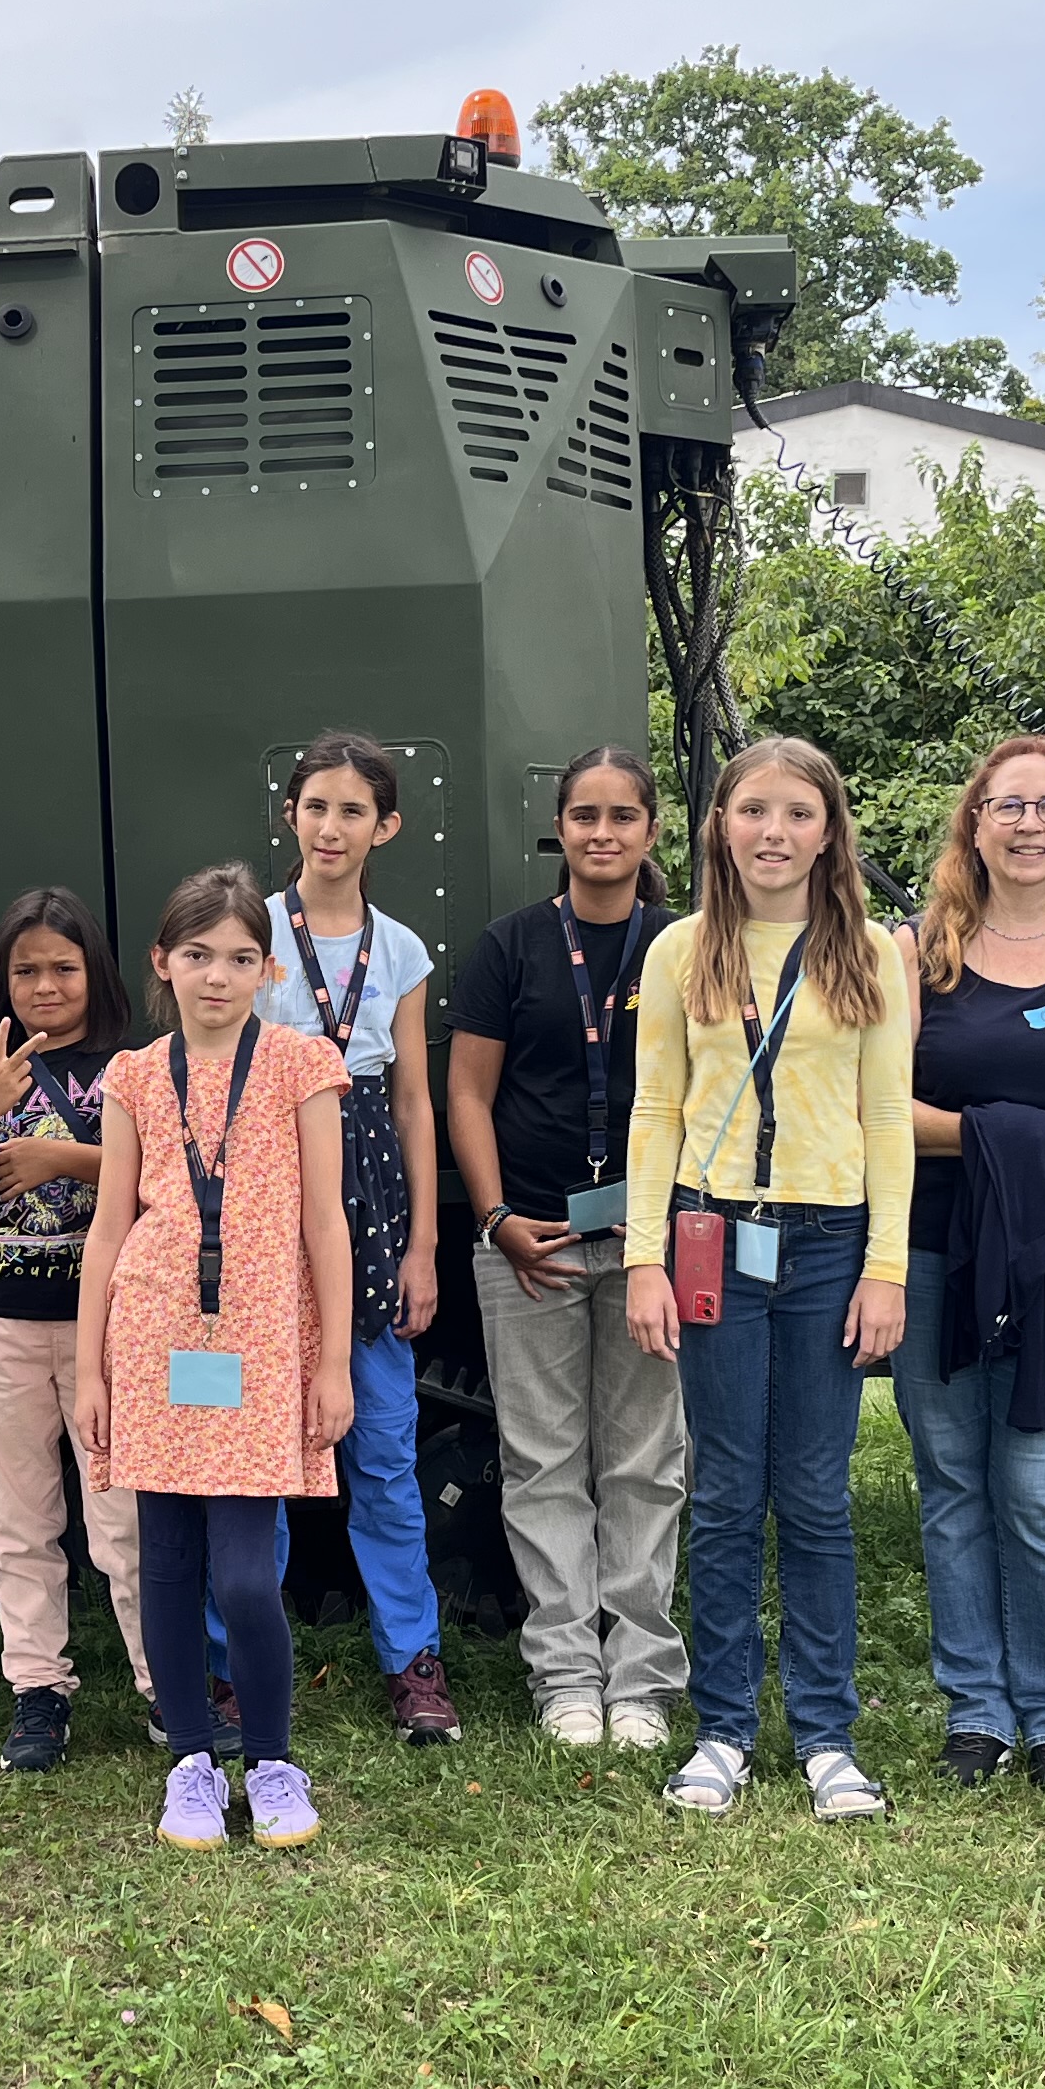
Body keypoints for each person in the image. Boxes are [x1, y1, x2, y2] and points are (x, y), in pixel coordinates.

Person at [624, 735, 913, 1825]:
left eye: (798, 813)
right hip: (711, 1243)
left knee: (818, 1497)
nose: (774, 833)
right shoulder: (681, 951)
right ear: (721, 826)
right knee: (728, 1493)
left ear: (829, 830)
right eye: (754, 811)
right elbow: (656, 1111)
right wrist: (644, 1255)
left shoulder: (871, 953)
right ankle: (726, 1730)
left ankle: (830, 1733)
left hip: (831, 1244)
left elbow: (889, 1119)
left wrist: (884, 1269)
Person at [75, 864, 357, 1851]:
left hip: (260, 1342)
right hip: (153, 1336)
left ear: (265, 968)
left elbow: (327, 1219)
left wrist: (334, 1364)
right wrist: (89, 1368)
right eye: (197, 955)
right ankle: (192, 1760)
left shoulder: (300, 1064)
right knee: (168, 1562)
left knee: (243, 1575)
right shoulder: (135, 1076)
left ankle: (271, 1759)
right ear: (162, 962)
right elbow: (109, 1228)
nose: (217, 977)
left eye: (240, 958)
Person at [891, 738, 1045, 1794]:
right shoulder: (919, 951)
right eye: (1008, 805)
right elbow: (879, 1109)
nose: (1029, 824)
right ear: (975, 824)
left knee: (1039, 1484)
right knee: (952, 1480)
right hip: (939, 1246)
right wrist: (1007, 1135)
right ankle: (977, 1713)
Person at [445, 743, 685, 1749]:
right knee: (543, 1463)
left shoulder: (681, 946)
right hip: (528, 1241)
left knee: (645, 1463)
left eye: (620, 816)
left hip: (649, 1245)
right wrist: (497, 1219)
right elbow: (467, 1091)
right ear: (561, 829)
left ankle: (641, 1678)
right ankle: (564, 1677)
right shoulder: (510, 948)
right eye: (583, 816)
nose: (601, 833)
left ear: (650, 831)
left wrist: (664, 1233)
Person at [253, 733, 458, 1744]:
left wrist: (422, 1244)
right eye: (316, 806)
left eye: (353, 811)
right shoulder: (249, 935)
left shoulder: (404, 948)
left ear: (387, 827)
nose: (331, 827)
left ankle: (414, 1662)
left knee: (381, 1449)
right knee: (258, 1453)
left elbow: (416, 1102)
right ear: (290, 814)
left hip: (372, 1202)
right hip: (263, 1188)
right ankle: (241, 1662)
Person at [0, 885, 152, 1772]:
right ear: (4, 980)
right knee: (18, 1518)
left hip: (115, 1328)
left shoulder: (139, 1064)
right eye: (26, 970)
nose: (46, 986)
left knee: (126, 1517)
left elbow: (168, 1178)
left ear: (94, 969)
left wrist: (63, 1156)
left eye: (63, 967)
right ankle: (37, 1689)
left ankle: (161, 1679)